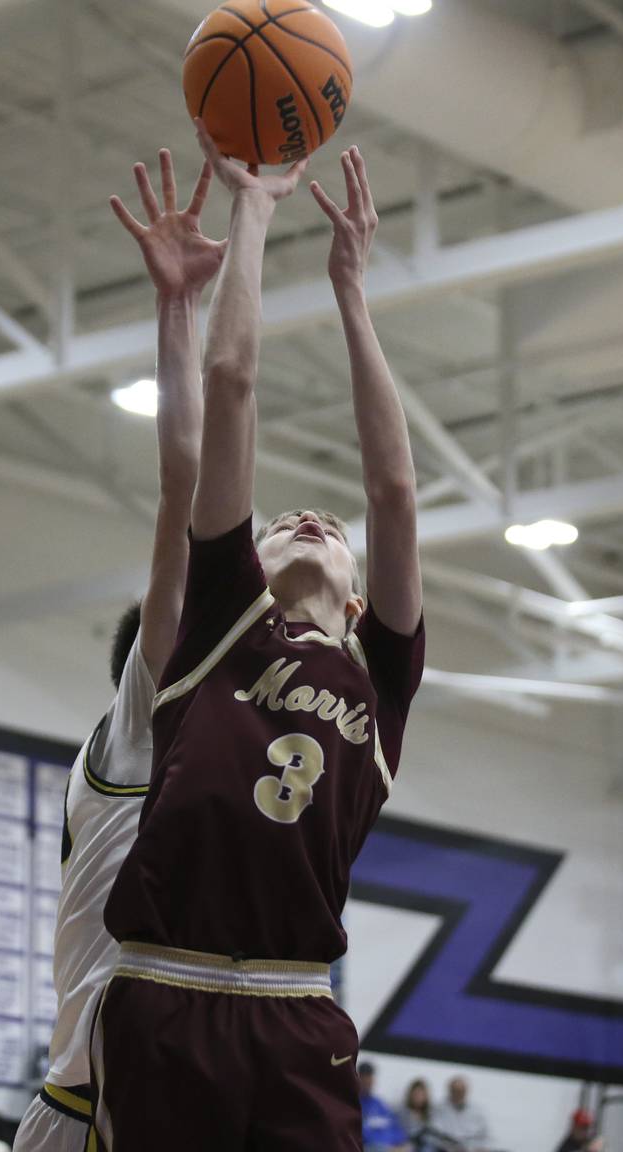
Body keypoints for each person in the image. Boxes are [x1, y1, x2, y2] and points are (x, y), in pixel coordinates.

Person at [95, 124, 424, 1151]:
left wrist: (352, 290)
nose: (311, 519)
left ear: (364, 605)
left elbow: (396, 492)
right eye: (285, 517)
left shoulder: (383, 674)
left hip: (299, 1007)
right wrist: (255, 208)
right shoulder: (222, 623)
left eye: (327, 528)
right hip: (167, 988)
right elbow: (229, 387)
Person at [10, 146, 222, 1152]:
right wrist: (178, 311)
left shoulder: (200, 768)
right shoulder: (137, 730)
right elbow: (183, 499)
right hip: (90, 1118)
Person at [429, 1077, 491, 1152]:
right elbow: (434, 1134)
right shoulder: (439, 1108)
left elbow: (484, 1137)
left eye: (461, 1091)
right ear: (449, 1091)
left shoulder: (477, 1112)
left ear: (466, 1092)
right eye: (455, 1091)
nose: (458, 1094)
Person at [359, 1063, 410, 1152]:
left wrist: (401, 1145)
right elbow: (361, 1135)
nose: (367, 1081)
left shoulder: (380, 1104)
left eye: (369, 1077)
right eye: (364, 1077)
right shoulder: (353, 1104)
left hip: (392, 1148)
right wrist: (389, 1149)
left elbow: (396, 1129)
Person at [398, 1080, 432, 1151]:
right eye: (416, 1094)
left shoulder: (430, 1114)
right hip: (408, 1144)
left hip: (426, 1146)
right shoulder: (403, 1113)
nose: (418, 1097)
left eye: (421, 1094)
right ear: (410, 1095)